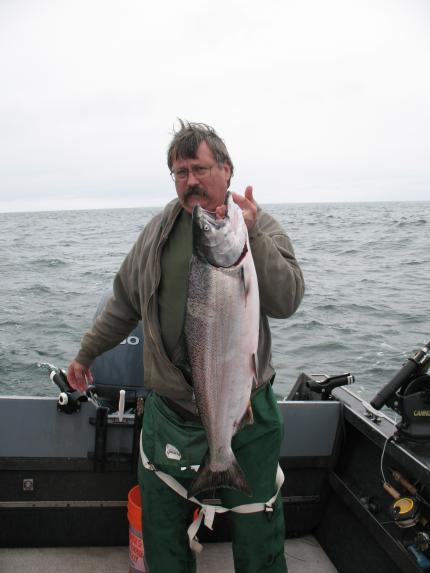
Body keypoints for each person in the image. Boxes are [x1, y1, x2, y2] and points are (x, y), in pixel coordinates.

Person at [68, 120, 305, 573]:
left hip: (248, 414)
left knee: (259, 538)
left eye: (199, 167)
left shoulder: (255, 225)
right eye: (179, 172)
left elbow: (288, 298)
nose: (191, 180)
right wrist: (86, 354)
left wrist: (252, 235)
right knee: (163, 538)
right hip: (170, 414)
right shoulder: (159, 232)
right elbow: (123, 301)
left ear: (227, 169)